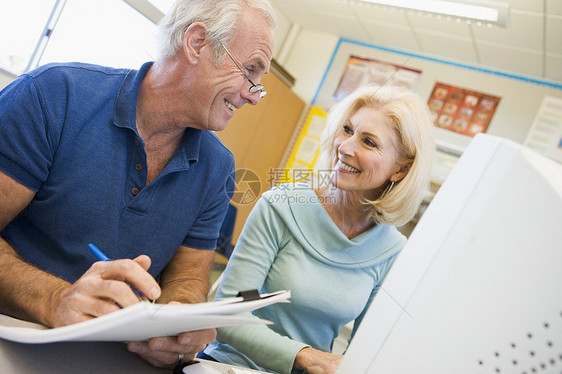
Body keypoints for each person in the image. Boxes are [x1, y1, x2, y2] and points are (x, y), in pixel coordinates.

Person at [0, 0, 276, 368]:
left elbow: (189, 279)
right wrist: (54, 299)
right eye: (250, 72)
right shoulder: (53, 95)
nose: (252, 95)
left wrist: (181, 325)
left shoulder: (218, 167)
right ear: (197, 43)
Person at [201, 84, 435, 374]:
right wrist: (307, 357)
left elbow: (367, 349)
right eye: (347, 130)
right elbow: (230, 313)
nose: (345, 147)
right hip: (230, 366)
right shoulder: (281, 207)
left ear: (401, 169)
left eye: (369, 142)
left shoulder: (391, 251)